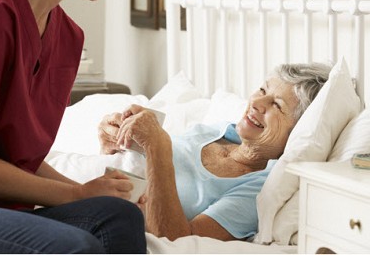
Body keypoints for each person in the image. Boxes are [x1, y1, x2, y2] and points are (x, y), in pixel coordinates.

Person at [0, 0, 146, 253]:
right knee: (76, 245)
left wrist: (93, 195)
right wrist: (74, 192)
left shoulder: (69, 38)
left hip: (8, 211)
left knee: (119, 216)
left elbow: (21, 158)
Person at [98, 62, 331, 242]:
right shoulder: (217, 130)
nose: (258, 103)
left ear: (299, 130)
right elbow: (129, 159)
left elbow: (178, 242)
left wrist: (158, 146)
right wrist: (115, 136)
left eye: (277, 106)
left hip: (105, 224)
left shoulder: (261, 188)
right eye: (262, 90)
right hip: (90, 195)